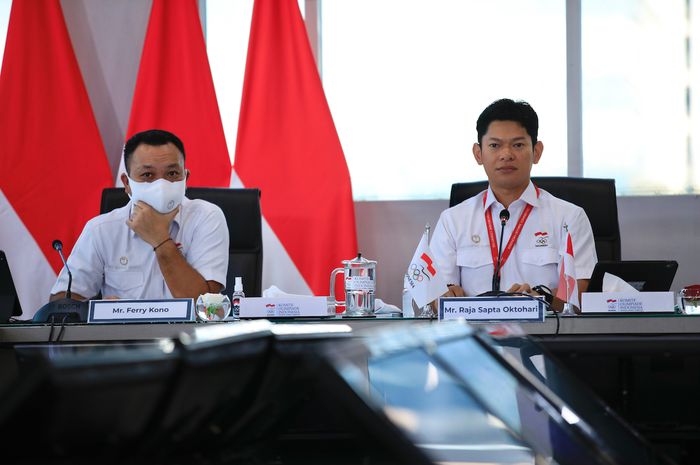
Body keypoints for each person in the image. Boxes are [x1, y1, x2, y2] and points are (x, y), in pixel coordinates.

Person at [430, 98, 597, 308]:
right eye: (494, 145)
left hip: (548, 336)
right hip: (478, 335)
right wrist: (443, 297)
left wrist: (538, 300)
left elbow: (580, 295)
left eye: (518, 145)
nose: (506, 154)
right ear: (478, 153)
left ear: (536, 152)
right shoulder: (453, 220)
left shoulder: (569, 217)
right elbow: (434, 296)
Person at [49, 129, 229, 301]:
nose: (161, 184)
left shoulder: (206, 217)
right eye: (148, 175)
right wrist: (97, 311)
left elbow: (205, 306)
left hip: (191, 333)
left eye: (172, 173)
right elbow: (60, 304)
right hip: (123, 334)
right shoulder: (101, 230)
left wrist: (160, 239)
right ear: (126, 183)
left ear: (186, 179)